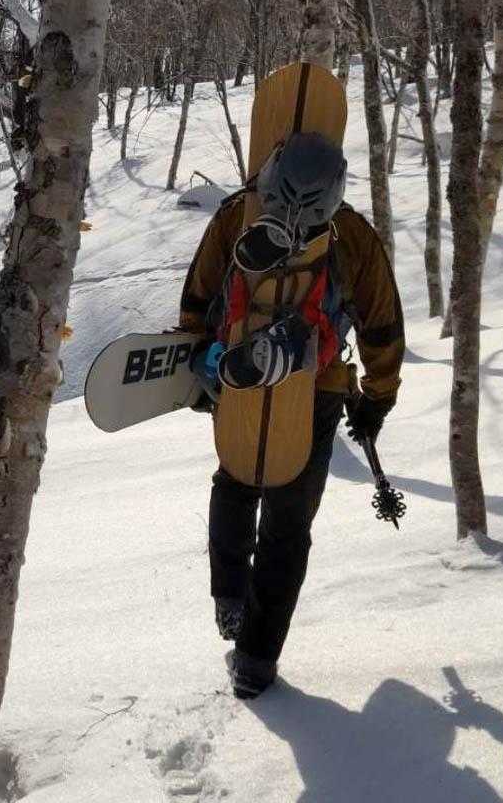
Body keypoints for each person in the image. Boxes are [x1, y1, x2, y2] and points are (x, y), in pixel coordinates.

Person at [178, 130, 405, 699]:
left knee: (236, 478)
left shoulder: (235, 215)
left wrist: (198, 363)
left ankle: (231, 596)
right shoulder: (352, 235)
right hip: (317, 390)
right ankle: (255, 661)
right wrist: (377, 398)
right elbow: (381, 325)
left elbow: (197, 297)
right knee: (288, 522)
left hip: (236, 370)